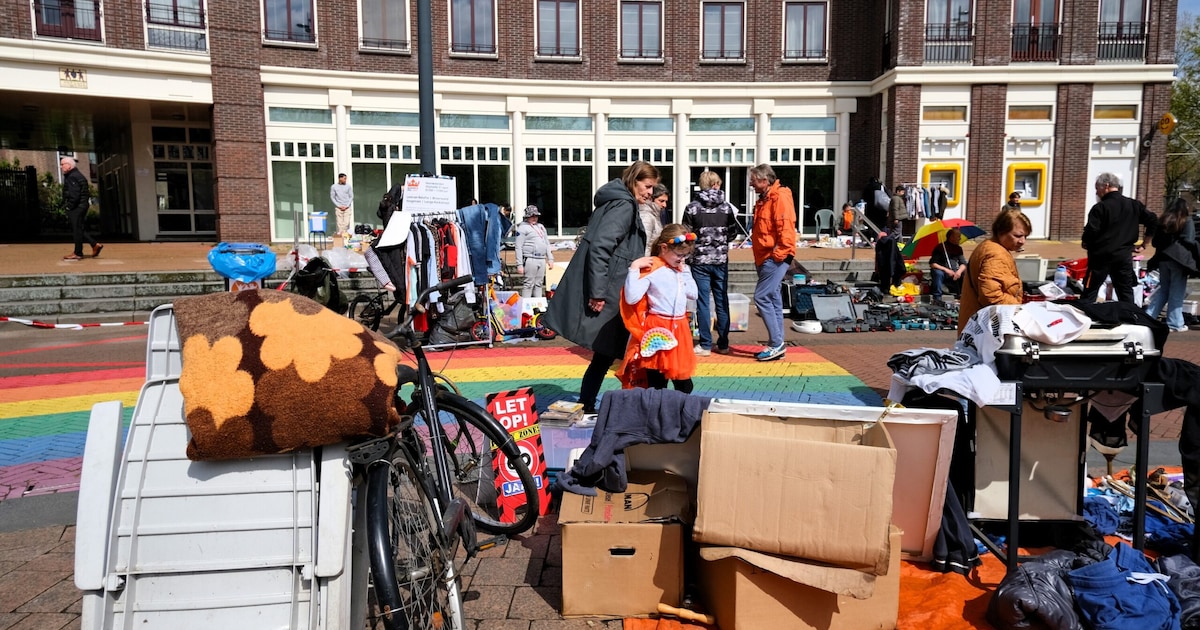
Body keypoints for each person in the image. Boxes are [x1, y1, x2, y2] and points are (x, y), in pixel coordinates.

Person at [544, 161, 658, 415]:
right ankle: (646, 406)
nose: (650, 192)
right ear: (634, 180)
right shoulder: (624, 206)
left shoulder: (615, 201)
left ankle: (588, 403)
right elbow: (601, 247)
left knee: (605, 353)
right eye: (647, 186)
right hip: (612, 289)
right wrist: (598, 292)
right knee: (619, 349)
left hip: (612, 286)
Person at [616, 224, 699, 393]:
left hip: (679, 328)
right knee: (656, 381)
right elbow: (632, 297)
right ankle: (656, 415)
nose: (682, 259)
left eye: (685, 255)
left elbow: (693, 294)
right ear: (663, 248)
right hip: (657, 328)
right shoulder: (653, 268)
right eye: (678, 255)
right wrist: (634, 268)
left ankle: (678, 413)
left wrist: (685, 272)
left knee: (684, 383)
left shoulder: (682, 269)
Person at [683, 171, 739, 356]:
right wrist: (721, 241)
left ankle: (705, 344)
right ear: (716, 184)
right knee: (722, 301)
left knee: (703, 303)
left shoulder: (692, 208)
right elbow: (733, 233)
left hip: (699, 260)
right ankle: (723, 344)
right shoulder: (726, 208)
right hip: (720, 259)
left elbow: (687, 235)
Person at [1081, 172, 1158, 303]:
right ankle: (1129, 317)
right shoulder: (1133, 205)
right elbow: (1153, 220)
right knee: (1125, 292)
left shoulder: (1100, 207)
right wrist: (1145, 243)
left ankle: (1085, 316)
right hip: (1123, 256)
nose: (1096, 192)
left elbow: (1091, 231)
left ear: (1106, 186)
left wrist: (1086, 242)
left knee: (1090, 291)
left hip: (1100, 257)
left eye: (1097, 188)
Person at [749, 164, 796, 362]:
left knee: (761, 297)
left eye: (753, 180)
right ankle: (778, 343)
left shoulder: (779, 198)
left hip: (773, 256)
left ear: (764, 180)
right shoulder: (765, 199)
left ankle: (776, 344)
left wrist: (778, 255)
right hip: (765, 256)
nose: (751, 184)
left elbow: (785, 228)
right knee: (773, 298)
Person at [957, 209, 1031, 334]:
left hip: (977, 328)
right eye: (1017, 236)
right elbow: (991, 296)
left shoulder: (989, 246)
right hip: (986, 332)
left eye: (1025, 236)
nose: (1022, 241)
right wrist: (1020, 309)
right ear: (1001, 232)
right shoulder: (996, 254)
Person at [1145, 198, 1199, 332]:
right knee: (1177, 292)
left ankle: (1148, 317)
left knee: (1164, 290)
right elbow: (1189, 240)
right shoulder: (1186, 220)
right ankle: (1175, 323)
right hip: (1179, 260)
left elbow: (1155, 242)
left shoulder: (1162, 221)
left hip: (1163, 258)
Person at [61, 156, 100, 261]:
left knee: (77, 230)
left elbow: (74, 195)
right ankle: (94, 244)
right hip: (81, 205)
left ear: (69, 165)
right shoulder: (77, 175)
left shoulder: (72, 176)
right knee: (79, 228)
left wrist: (69, 206)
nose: (61, 167)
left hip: (77, 207)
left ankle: (78, 253)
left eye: (62, 164)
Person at [514, 204, 554, 299]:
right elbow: (518, 246)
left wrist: (550, 258)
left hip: (541, 258)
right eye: (532, 216)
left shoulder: (541, 227)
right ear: (527, 216)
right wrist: (519, 264)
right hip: (530, 258)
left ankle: (538, 305)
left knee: (539, 283)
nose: (534, 218)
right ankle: (526, 307)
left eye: (536, 216)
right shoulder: (522, 228)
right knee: (529, 283)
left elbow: (547, 243)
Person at [929, 227, 967, 302]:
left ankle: (963, 294)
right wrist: (946, 270)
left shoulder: (958, 249)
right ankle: (937, 297)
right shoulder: (940, 247)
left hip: (954, 271)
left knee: (966, 271)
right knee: (938, 273)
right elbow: (933, 264)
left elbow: (963, 263)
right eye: (958, 237)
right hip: (943, 271)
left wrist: (959, 271)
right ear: (951, 237)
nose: (960, 239)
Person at [639, 183, 667, 255]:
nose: (664, 205)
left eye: (665, 201)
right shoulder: (646, 216)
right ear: (650, 198)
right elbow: (644, 246)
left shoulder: (654, 215)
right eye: (661, 201)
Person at [330, 173, 353, 237]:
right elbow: (332, 197)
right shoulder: (334, 187)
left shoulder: (348, 186)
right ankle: (342, 236)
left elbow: (351, 196)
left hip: (347, 207)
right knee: (339, 223)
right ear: (340, 178)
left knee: (346, 222)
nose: (345, 180)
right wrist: (338, 205)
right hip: (338, 207)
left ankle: (343, 234)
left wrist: (347, 205)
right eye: (344, 178)